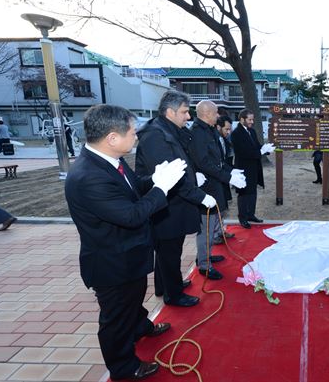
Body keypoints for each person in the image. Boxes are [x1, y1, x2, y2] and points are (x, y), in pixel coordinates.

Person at [64, 104, 187, 381]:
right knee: (115, 319)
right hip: (111, 261)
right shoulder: (89, 176)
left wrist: (153, 180)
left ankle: (141, 326)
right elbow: (132, 215)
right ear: (112, 137)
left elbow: (131, 189)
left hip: (128, 254)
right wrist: (161, 188)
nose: (136, 137)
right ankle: (124, 367)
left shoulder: (110, 161)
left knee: (134, 299)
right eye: (132, 133)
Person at [135, 91, 216, 306]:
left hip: (172, 203)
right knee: (169, 251)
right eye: (184, 112)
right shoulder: (155, 135)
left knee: (168, 249)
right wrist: (201, 197)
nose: (188, 117)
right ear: (170, 112)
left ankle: (166, 285)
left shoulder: (168, 130)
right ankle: (174, 293)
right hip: (167, 204)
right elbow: (172, 177)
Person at [190, 100, 246, 280]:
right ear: (206, 114)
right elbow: (204, 163)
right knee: (206, 226)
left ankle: (207, 255)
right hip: (206, 186)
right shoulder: (198, 133)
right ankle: (204, 265)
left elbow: (218, 159)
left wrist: (230, 170)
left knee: (214, 221)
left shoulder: (210, 129)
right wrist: (228, 177)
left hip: (215, 183)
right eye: (215, 113)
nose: (217, 116)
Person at [231, 109, 274, 229]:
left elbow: (256, 145)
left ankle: (251, 214)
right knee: (244, 193)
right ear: (242, 119)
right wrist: (260, 151)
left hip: (254, 167)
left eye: (252, 119)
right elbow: (244, 152)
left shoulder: (252, 131)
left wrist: (265, 149)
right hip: (243, 168)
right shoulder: (236, 134)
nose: (252, 122)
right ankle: (243, 217)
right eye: (249, 119)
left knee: (253, 192)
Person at [215, 115, 236, 243]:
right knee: (218, 208)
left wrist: (232, 170)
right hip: (217, 178)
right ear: (218, 127)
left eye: (229, 129)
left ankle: (220, 231)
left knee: (223, 207)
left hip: (224, 177)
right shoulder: (213, 139)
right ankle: (216, 234)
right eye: (226, 129)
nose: (228, 132)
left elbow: (224, 160)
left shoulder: (224, 139)